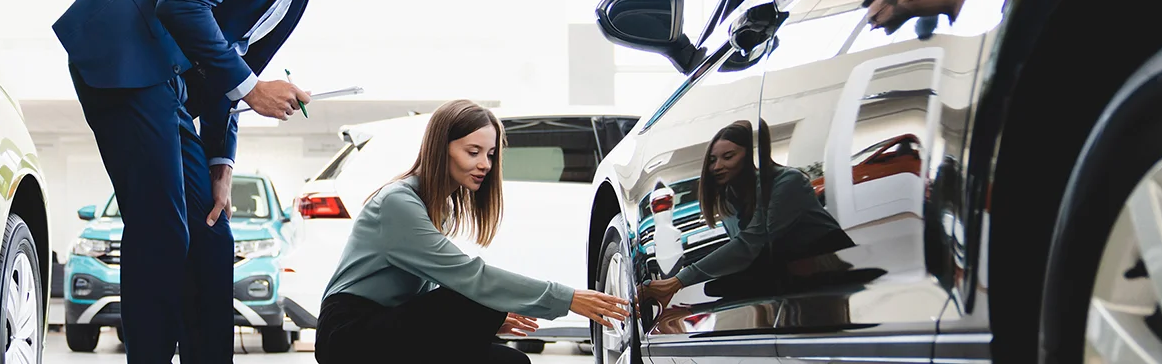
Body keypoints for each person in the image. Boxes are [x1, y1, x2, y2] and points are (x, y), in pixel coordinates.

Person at [49, 0, 432, 364]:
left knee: (211, 231)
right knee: (163, 227)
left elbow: (227, 63)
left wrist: (220, 162)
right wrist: (253, 89)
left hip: (164, 77)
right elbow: (182, 2)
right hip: (123, 46)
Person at [315, 100, 631, 364]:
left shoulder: (437, 206)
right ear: (441, 148)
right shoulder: (397, 202)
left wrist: (482, 319)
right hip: (348, 333)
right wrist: (568, 298)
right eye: (473, 151)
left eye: (491, 154)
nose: (485, 164)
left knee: (512, 361)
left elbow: (425, 290)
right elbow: (468, 277)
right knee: (473, 298)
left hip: (387, 323)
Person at [642, 120, 854, 303]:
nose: (717, 166)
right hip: (788, 274)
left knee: (715, 290)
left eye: (728, 156)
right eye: (713, 160)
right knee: (712, 289)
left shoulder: (787, 182)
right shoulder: (729, 197)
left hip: (830, 268)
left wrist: (679, 280)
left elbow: (752, 243)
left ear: (751, 156)